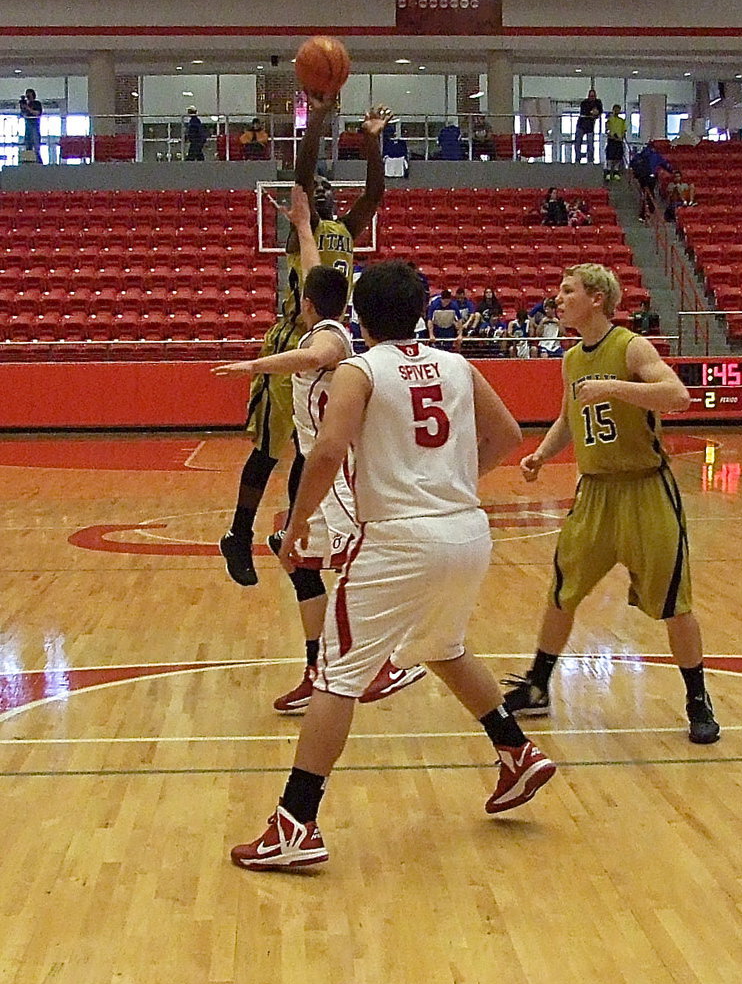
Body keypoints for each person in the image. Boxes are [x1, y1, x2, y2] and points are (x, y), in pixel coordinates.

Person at [230, 259, 557, 872]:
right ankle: (515, 750)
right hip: (466, 532)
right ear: (419, 309)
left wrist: (297, 525)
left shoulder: (361, 369)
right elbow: (511, 433)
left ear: (360, 314)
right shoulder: (459, 364)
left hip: (401, 542)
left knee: (336, 676)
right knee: (444, 646)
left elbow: (327, 450)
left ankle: (296, 823)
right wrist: (455, 482)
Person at [213, 188, 425, 711]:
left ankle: (383, 663)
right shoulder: (328, 314)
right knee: (295, 558)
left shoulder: (329, 337)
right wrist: (305, 227)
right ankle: (316, 668)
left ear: (305, 304)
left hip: (342, 478)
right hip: (320, 473)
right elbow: (315, 273)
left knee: (362, 565)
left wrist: (257, 365)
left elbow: (325, 351)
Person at [502, 264, 720, 746]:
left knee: (674, 604)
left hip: (646, 490)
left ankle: (698, 699)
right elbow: (568, 415)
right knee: (563, 590)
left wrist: (615, 386)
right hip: (596, 491)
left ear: (596, 298)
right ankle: (538, 686)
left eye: (567, 290)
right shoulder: (572, 358)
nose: (556, 299)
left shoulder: (630, 346)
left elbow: (678, 395)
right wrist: (541, 453)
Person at [218, 93, 393, 587]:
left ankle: (296, 529)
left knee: (308, 447)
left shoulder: (347, 227)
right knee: (273, 447)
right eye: (310, 191)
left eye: (324, 190)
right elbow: (302, 172)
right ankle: (238, 533)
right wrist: (316, 118)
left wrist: (372, 141)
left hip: (333, 343)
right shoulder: (303, 233)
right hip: (292, 341)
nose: (318, 194)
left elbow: (376, 193)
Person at [574, 87, 603, 163]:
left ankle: (590, 159)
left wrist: (595, 113)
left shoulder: (598, 102)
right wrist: (592, 113)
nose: (592, 98)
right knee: (578, 142)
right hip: (581, 125)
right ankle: (577, 158)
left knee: (590, 143)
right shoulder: (584, 102)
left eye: (593, 96)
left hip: (590, 126)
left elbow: (599, 112)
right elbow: (585, 111)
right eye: (591, 96)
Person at [603, 104, 627, 180]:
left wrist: (621, 137)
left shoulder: (622, 121)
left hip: (619, 140)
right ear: (613, 110)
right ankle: (608, 171)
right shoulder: (610, 119)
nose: (617, 111)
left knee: (618, 157)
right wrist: (610, 135)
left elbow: (624, 131)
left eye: (618, 109)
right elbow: (607, 129)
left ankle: (616, 171)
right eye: (615, 109)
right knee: (610, 156)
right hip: (611, 140)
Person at [20, 88, 42, 162]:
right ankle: (28, 161)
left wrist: (28, 108)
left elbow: (37, 113)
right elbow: (23, 114)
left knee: (36, 144)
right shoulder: (27, 103)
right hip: (28, 124)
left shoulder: (37, 103)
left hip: (34, 124)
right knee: (28, 144)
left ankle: (38, 161)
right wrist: (23, 107)